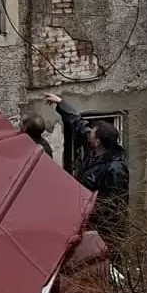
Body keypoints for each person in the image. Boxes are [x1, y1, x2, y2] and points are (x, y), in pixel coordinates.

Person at [43, 93, 129, 239]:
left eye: (93, 134)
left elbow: (115, 208)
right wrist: (60, 103)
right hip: (83, 219)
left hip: (100, 230)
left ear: (98, 142)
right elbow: (78, 123)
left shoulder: (115, 170)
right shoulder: (94, 150)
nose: (89, 133)